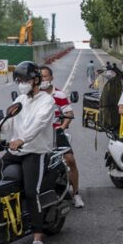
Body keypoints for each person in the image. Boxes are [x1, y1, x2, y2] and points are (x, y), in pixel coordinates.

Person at [0, 61, 56, 244]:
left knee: (31, 193)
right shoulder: (20, 99)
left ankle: (37, 241)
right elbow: (9, 121)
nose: (22, 84)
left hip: (35, 152)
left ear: (36, 80)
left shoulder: (47, 101)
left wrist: (22, 139)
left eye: (26, 80)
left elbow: (39, 124)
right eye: (19, 80)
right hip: (15, 151)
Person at [39, 65, 84, 208]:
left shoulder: (59, 95)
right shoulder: (34, 95)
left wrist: (61, 128)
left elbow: (69, 114)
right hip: (38, 134)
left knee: (70, 160)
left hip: (55, 133)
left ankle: (76, 193)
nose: (42, 79)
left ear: (51, 78)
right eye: (40, 77)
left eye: (45, 76)